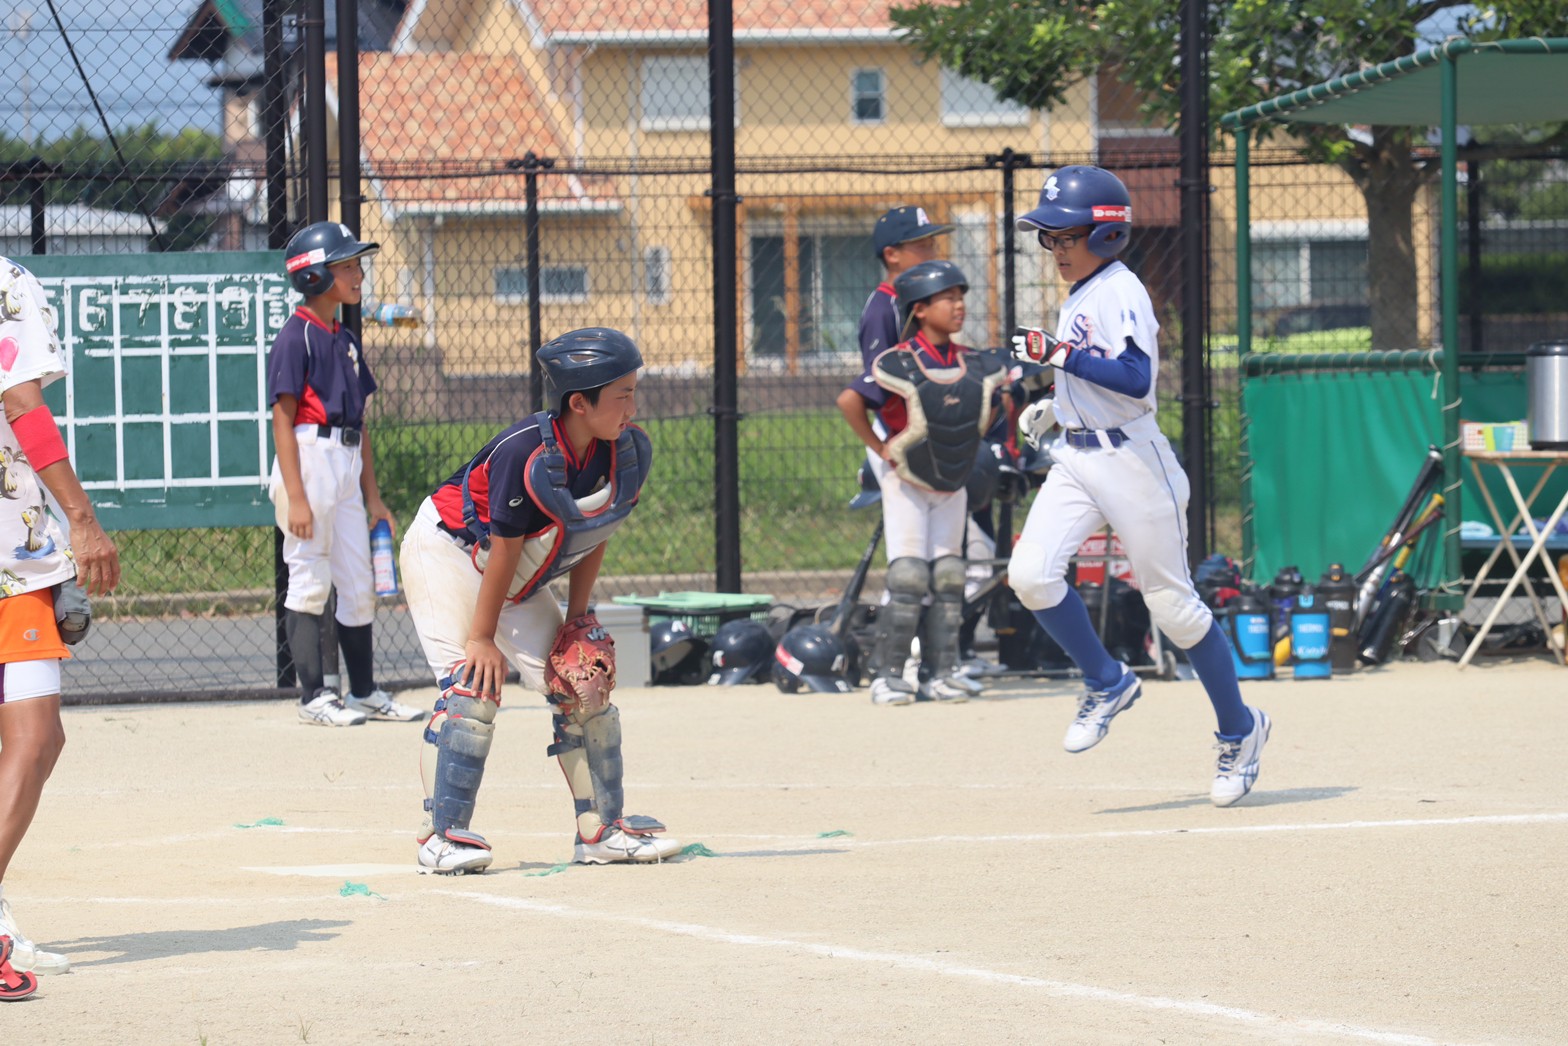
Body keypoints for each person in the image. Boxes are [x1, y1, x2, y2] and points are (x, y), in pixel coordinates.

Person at [1007, 165, 1271, 807]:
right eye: (1048, 238)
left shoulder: (1119, 288)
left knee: (1174, 608)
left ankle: (1241, 729)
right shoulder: (1083, 290)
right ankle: (1107, 680)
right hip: (1079, 457)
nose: (1054, 249)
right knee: (1032, 574)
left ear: (1103, 236)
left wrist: (1057, 356)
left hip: (1134, 463)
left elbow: (1133, 378)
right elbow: (1090, 375)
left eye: (1064, 236)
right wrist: (1058, 400)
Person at [400, 327, 680, 873]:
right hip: (450, 553)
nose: (632, 405)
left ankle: (600, 829)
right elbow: (500, 551)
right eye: (622, 394)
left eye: (633, 391)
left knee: (582, 681)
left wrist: (579, 618)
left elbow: (596, 530)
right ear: (580, 402)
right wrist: (481, 639)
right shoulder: (522, 452)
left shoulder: (620, 451)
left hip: (514, 574)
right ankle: (441, 835)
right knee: (471, 687)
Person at [0, 256, 121, 999]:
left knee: (34, 740)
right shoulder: (7, 281)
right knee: (36, 736)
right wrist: (80, 516)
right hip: (9, 556)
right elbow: (20, 398)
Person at [268, 222, 423, 727]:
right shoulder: (297, 337)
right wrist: (295, 496)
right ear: (314, 275)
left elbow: (361, 424)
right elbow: (283, 419)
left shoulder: (346, 339)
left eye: (357, 264)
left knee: (357, 582)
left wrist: (373, 497)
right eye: (347, 266)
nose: (358, 274)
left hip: (347, 461)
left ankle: (363, 691)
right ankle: (313, 695)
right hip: (310, 461)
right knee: (310, 574)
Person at [836, 260, 1007, 706]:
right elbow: (850, 400)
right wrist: (880, 447)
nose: (958, 306)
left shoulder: (972, 362)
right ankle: (888, 675)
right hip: (907, 480)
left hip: (952, 481)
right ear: (920, 308)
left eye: (960, 298)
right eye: (947, 298)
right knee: (910, 576)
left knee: (949, 577)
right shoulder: (897, 362)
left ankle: (941, 671)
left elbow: (990, 407)